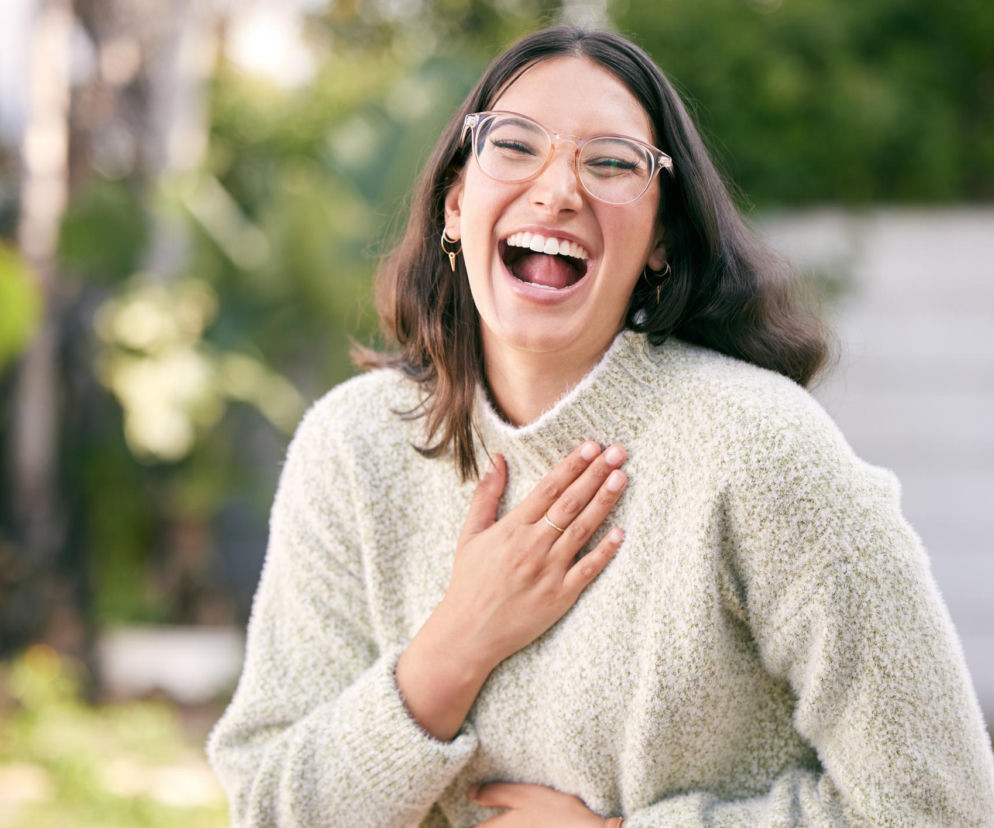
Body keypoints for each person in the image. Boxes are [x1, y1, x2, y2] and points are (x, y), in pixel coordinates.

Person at [207, 25, 994, 826]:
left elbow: (940, 805)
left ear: (659, 242)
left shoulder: (760, 449)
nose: (557, 190)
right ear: (454, 203)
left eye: (612, 162)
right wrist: (460, 638)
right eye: (514, 146)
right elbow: (271, 809)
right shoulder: (352, 446)